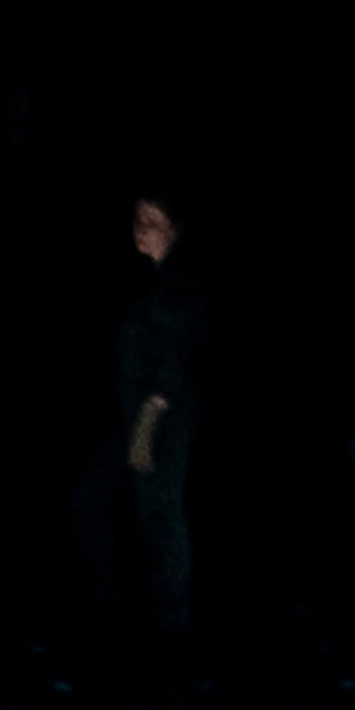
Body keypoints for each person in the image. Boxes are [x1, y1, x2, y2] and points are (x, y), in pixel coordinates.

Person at [77, 189, 206, 641]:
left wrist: (148, 425)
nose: (141, 230)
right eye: (137, 220)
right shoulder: (153, 282)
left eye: (152, 221)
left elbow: (173, 362)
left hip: (162, 421)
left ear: (175, 228)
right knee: (100, 503)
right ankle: (117, 611)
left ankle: (168, 621)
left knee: (160, 516)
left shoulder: (180, 286)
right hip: (137, 417)